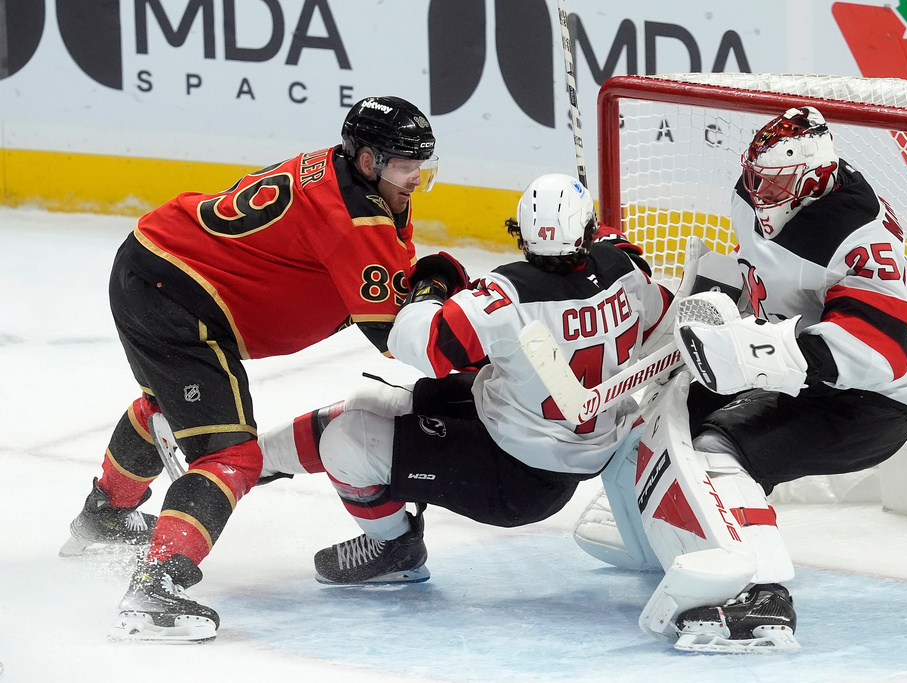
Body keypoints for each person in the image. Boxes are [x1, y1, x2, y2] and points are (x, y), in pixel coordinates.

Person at [61, 96, 439, 642]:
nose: (415, 178)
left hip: (155, 265)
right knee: (231, 454)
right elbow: (397, 336)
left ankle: (104, 516)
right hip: (178, 298)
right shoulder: (355, 218)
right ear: (367, 161)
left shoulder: (337, 172)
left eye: (420, 165)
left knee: (174, 409)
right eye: (405, 166)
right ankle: (154, 588)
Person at [574, 106, 907, 652]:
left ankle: (761, 595)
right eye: (756, 176)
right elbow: (762, 275)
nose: (759, 190)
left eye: (774, 181)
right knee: (665, 401)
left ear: (813, 178)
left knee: (721, 447)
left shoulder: (858, 235)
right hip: (803, 370)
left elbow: (881, 347)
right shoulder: (755, 197)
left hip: (871, 401)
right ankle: (657, 534)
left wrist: (750, 352)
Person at [256, 173, 674, 586]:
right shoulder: (627, 273)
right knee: (370, 403)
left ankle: (396, 548)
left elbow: (415, 341)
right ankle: (252, 461)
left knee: (348, 441)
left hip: (516, 478)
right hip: (545, 433)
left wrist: (431, 289)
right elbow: (660, 323)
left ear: (525, 236)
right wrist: (607, 253)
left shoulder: (508, 292)